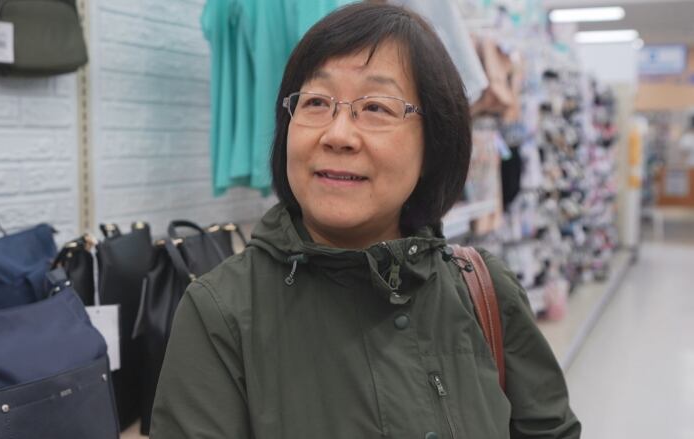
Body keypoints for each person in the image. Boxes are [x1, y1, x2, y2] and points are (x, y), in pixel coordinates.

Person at [151, 3, 581, 438]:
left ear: (434, 143)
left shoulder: (484, 290)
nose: (337, 134)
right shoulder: (222, 312)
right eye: (316, 102)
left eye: (376, 107)